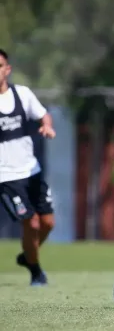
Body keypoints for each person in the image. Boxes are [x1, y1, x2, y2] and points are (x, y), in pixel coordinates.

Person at [0, 49, 56, 286]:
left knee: (47, 223)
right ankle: (36, 271)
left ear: (7, 69)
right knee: (31, 222)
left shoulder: (22, 95)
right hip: (6, 176)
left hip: (31, 171)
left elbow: (44, 116)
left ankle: (27, 256)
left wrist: (47, 127)